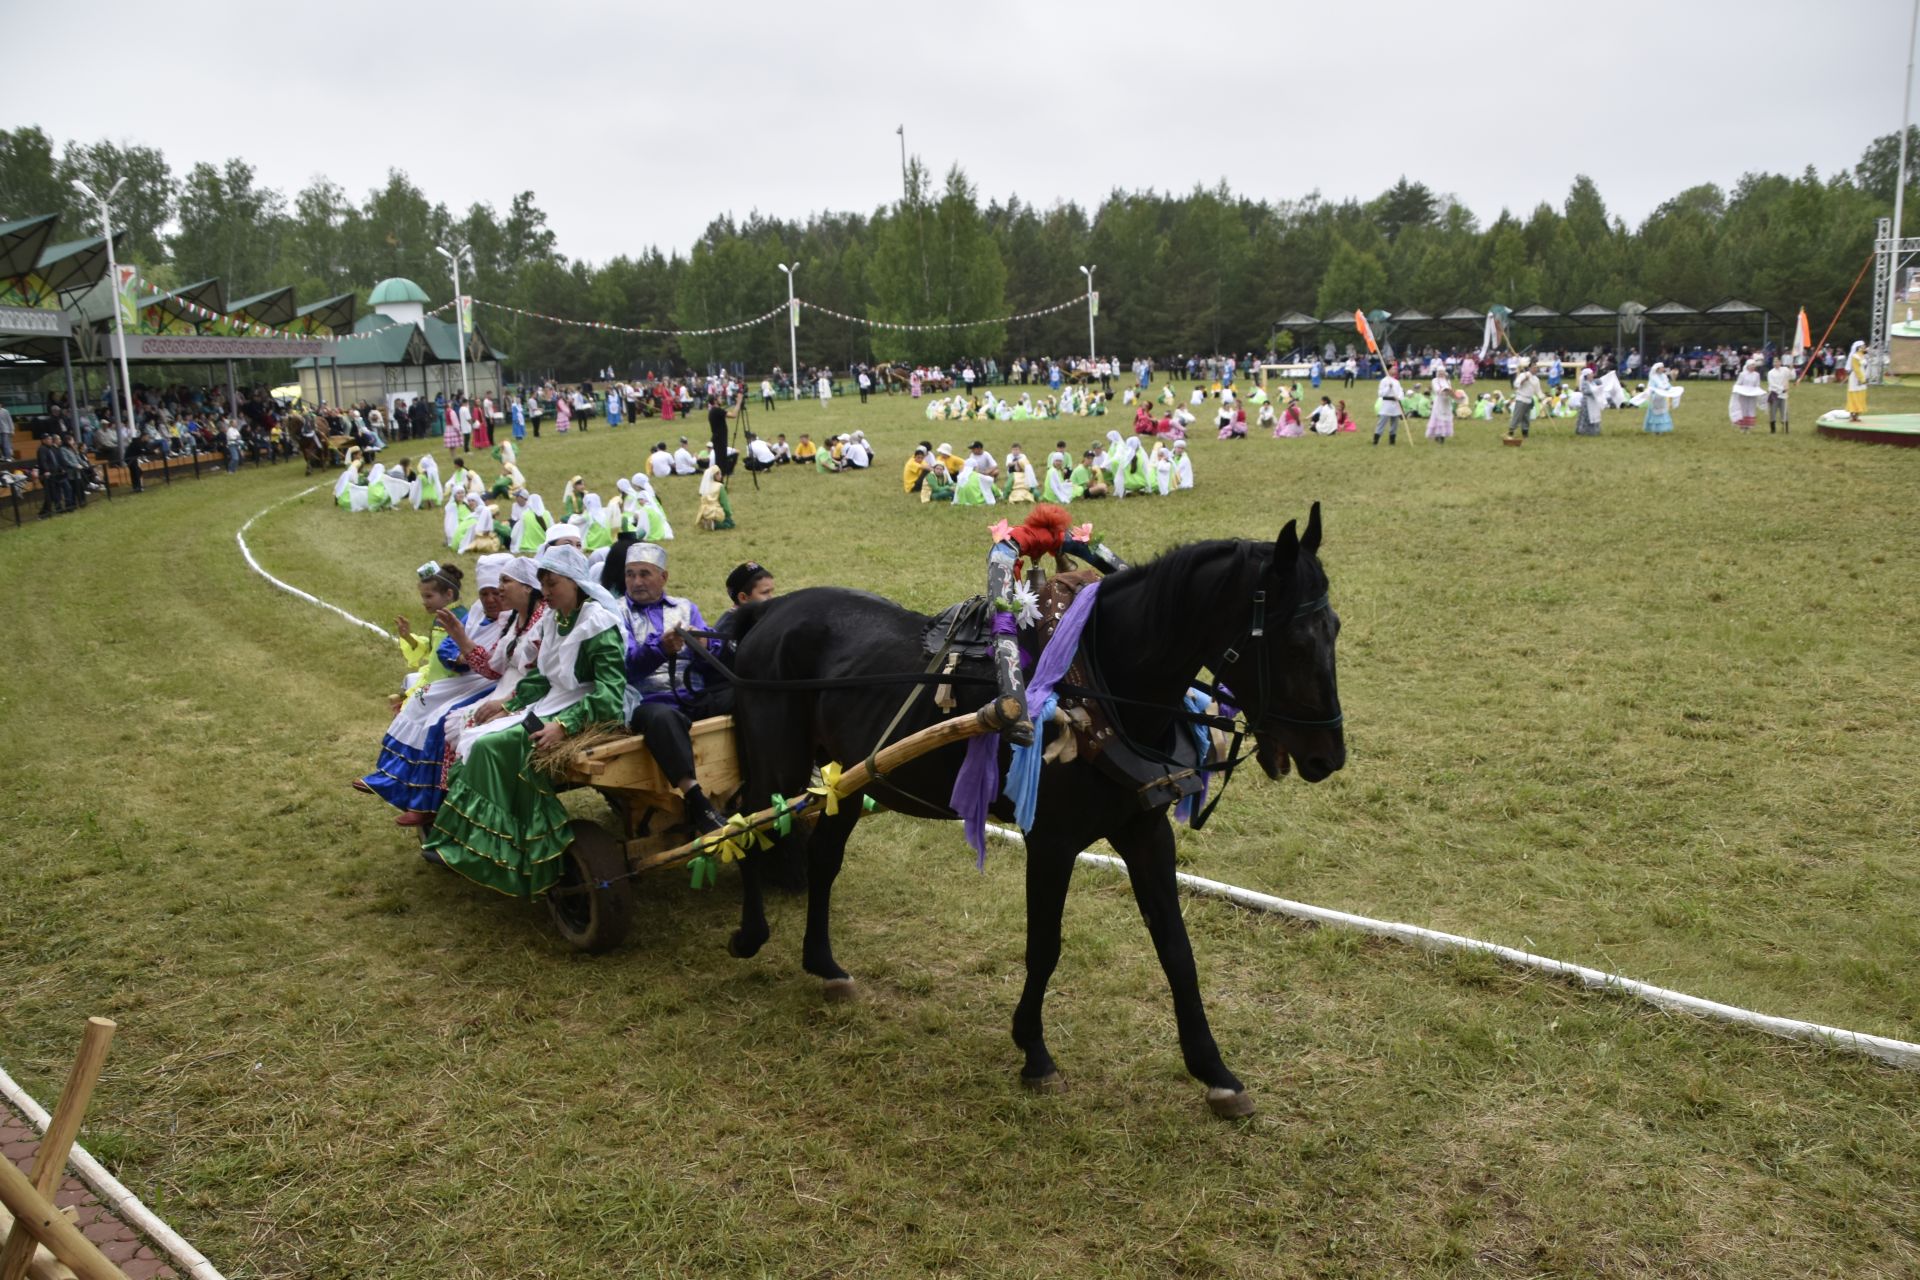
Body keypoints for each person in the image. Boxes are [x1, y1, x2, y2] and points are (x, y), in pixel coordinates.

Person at [424, 545, 625, 894]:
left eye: (553, 585)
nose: (545, 593)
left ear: (576, 582)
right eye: (543, 585)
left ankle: (509, 848)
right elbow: (542, 678)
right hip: (551, 702)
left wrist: (563, 726)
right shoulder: (554, 618)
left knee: (493, 746)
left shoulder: (596, 623)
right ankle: (479, 845)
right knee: (476, 737)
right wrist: (508, 703)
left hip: (582, 708)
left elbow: (610, 694)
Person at [357, 557, 512, 825]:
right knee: (419, 702)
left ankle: (426, 802)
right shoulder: (476, 612)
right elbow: (448, 647)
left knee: (440, 718)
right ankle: (391, 778)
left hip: (492, 682)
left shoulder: (512, 620)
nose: (489, 600)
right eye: (484, 593)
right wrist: (462, 654)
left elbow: (496, 662)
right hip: (470, 676)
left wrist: (467, 653)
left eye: (496, 593)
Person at [618, 542, 730, 836]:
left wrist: (704, 645)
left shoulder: (685, 607)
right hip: (646, 701)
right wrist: (660, 649)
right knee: (661, 719)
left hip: (693, 695)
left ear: (663, 577)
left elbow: (713, 661)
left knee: (745, 697)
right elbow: (624, 666)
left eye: (644, 574)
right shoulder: (615, 613)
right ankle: (697, 801)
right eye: (630, 575)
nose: (637, 582)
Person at [1728, 358, 1765, 431]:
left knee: (1751, 409)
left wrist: (1758, 391)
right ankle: (1742, 426)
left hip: (1752, 395)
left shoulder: (1756, 375)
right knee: (1743, 409)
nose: (1753, 367)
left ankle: (1748, 426)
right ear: (1747, 366)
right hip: (1743, 395)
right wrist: (1738, 390)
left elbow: (1757, 385)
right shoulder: (1742, 374)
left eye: (1754, 366)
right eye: (1751, 365)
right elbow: (1738, 384)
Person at [1643, 363, 1678, 435]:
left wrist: (1672, 389)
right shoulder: (1653, 377)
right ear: (1658, 369)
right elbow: (1651, 387)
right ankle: (1655, 430)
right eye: (1662, 367)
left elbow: (1667, 385)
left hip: (1662, 398)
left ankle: (1661, 429)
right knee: (1655, 413)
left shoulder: (1664, 376)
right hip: (1655, 398)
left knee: (1662, 412)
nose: (1663, 369)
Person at [1373, 366, 1404, 445]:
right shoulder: (1383, 381)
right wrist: (1388, 388)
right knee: (1381, 423)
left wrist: (1399, 397)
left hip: (1395, 405)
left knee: (1394, 424)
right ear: (1388, 370)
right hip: (1386, 405)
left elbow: (1401, 392)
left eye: (1395, 369)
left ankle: (1392, 441)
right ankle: (1376, 440)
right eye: (1393, 369)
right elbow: (1380, 394)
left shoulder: (1397, 382)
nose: (1395, 370)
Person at [1510, 359, 1540, 440]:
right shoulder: (1523, 375)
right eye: (1534, 367)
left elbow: (1538, 390)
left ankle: (1525, 433)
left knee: (1526, 417)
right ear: (1530, 368)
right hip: (1521, 398)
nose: (1535, 369)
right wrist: (1524, 380)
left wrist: (1541, 397)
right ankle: (1511, 431)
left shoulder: (1536, 379)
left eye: (1536, 367)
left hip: (1529, 400)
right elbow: (1516, 385)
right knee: (1517, 416)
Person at [1426, 370, 1455, 444]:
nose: (1441, 373)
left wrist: (1451, 392)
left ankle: (1443, 435)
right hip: (1439, 401)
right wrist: (1444, 390)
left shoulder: (1447, 381)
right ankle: (1439, 436)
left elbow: (1451, 390)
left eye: (1443, 372)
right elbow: (1436, 390)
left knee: (1446, 418)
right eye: (1440, 372)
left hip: (1446, 402)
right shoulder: (1435, 380)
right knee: (1438, 419)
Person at [1574, 367, 1604, 436]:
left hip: (1593, 403)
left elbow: (1600, 382)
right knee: (1586, 417)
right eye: (1590, 374)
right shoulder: (1584, 383)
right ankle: (1584, 431)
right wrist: (1595, 391)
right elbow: (1586, 391)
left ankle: (1594, 431)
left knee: (1594, 417)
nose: (1592, 375)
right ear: (1587, 376)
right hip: (1587, 403)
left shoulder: (1593, 382)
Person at [1845, 340, 1869, 421]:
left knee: (1861, 394)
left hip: (1862, 377)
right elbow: (1856, 369)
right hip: (1855, 378)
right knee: (1854, 395)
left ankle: (1857, 414)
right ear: (1859, 347)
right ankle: (1853, 414)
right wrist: (1861, 379)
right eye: (1863, 346)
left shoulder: (1863, 356)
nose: (1865, 347)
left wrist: (1865, 377)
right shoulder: (1855, 356)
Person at [1766, 356, 1791, 434]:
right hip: (1774, 394)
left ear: (1780, 362)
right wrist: (1782, 389)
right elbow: (1772, 384)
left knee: (1784, 411)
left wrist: (1792, 368)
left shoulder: (1785, 370)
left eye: (1777, 361)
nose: (1776, 363)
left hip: (1784, 395)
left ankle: (1786, 429)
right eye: (1774, 362)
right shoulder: (1770, 372)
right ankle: (1773, 430)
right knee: (1773, 411)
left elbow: (1791, 376)